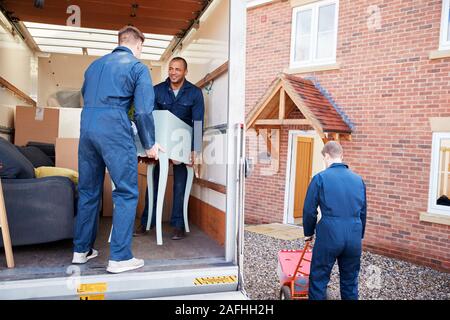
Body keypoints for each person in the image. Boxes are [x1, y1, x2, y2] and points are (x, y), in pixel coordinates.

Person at [72, 26, 163, 274]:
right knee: (125, 191)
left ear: (119, 41)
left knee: (89, 190)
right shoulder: (137, 67)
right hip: (114, 127)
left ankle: (81, 251)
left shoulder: (93, 67)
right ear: (138, 44)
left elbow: (85, 96)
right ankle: (120, 257)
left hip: (87, 126)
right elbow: (144, 110)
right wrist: (150, 144)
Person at [134, 57, 204, 240]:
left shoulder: (195, 93)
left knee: (180, 186)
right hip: (161, 144)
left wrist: (195, 149)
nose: (173, 72)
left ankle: (178, 225)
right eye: (171, 69)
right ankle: (146, 222)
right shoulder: (157, 90)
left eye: (178, 69)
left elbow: (198, 123)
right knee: (153, 185)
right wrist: (150, 145)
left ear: (185, 72)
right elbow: (152, 119)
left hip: (182, 144)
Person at [303, 141, 367, 300]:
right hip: (354, 236)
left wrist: (308, 233)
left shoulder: (320, 178)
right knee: (350, 282)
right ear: (341, 156)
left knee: (319, 279)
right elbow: (363, 212)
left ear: (326, 156)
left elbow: (309, 210)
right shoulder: (358, 180)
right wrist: (359, 236)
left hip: (329, 235)